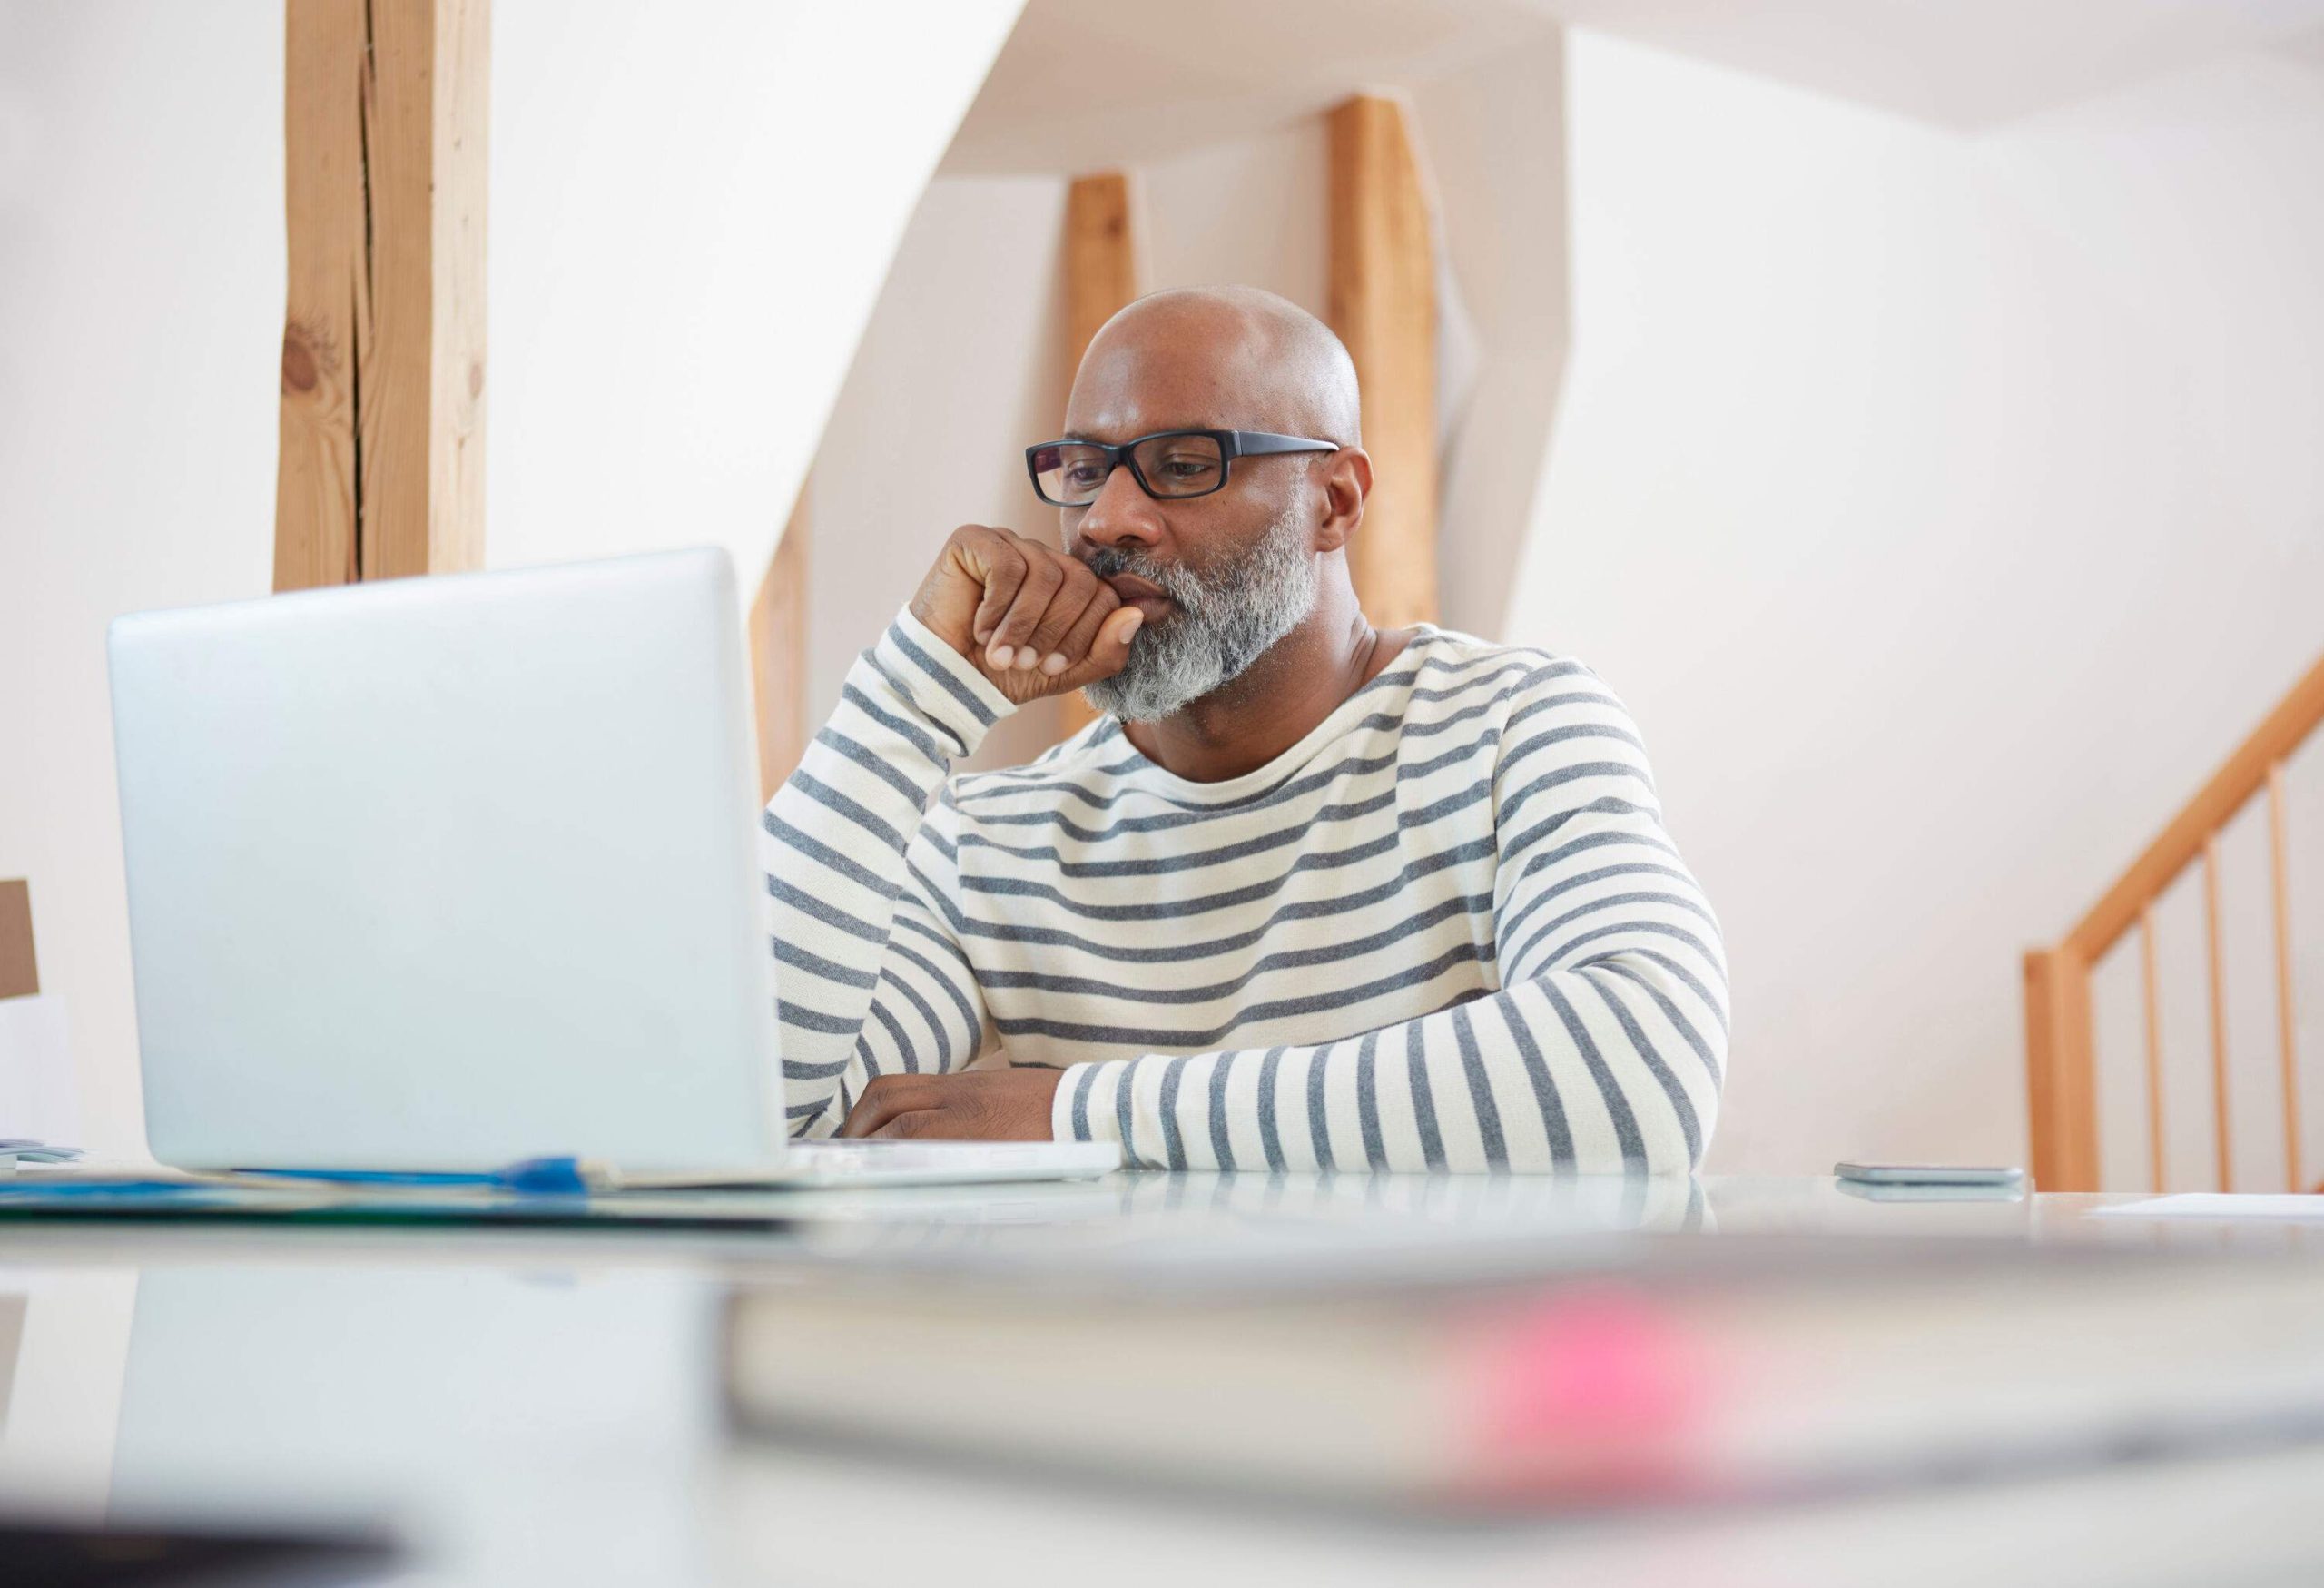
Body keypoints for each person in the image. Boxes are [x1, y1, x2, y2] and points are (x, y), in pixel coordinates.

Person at [759, 286, 1724, 1171]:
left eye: (1182, 466)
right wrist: (911, 698)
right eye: (1085, 470)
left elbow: (1638, 1072)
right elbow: (751, 1120)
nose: (1109, 519)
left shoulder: (1514, 728)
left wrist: (1072, 1115)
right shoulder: (986, 846)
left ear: (1334, 502)